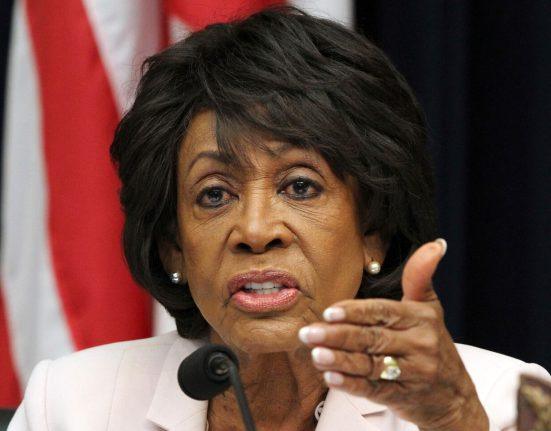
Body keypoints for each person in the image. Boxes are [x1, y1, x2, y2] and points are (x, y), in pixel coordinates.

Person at [9, 7, 549, 431]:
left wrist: (456, 421)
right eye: (214, 194)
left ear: (374, 231)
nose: (255, 231)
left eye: (299, 186)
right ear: (174, 246)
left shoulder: (509, 397)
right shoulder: (71, 405)